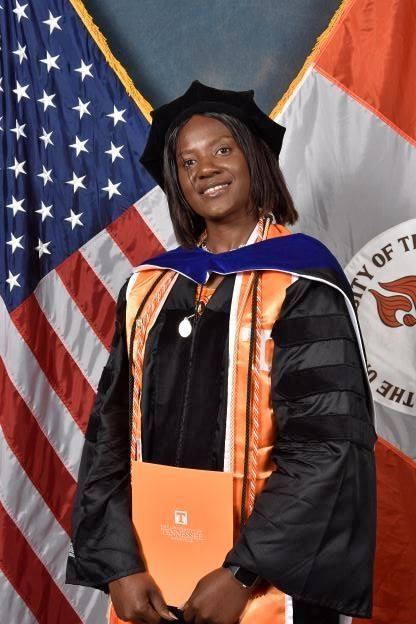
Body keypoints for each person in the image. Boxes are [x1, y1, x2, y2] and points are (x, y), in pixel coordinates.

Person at [66, 81, 377, 624]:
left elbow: (327, 449)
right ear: (178, 184)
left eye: (221, 150)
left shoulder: (301, 281)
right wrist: (118, 564)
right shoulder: (149, 288)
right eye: (186, 162)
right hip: (152, 573)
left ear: (254, 157)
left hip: (261, 589)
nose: (203, 168)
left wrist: (241, 574)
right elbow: (110, 433)